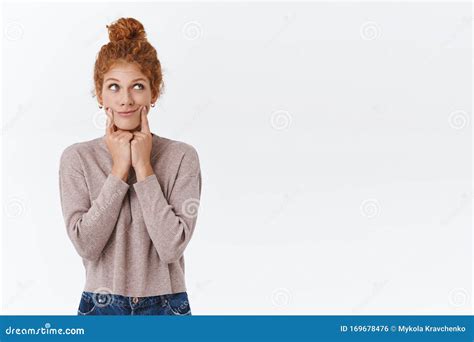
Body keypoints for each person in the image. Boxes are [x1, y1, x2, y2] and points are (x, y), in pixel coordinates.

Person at [58, 17, 202, 315]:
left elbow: (171, 247)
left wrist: (144, 166)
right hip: (101, 307)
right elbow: (87, 245)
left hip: (167, 306)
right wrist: (119, 170)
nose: (125, 100)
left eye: (137, 86)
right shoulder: (77, 159)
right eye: (114, 87)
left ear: (154, 93)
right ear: (100, 95)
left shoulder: (181, 157)